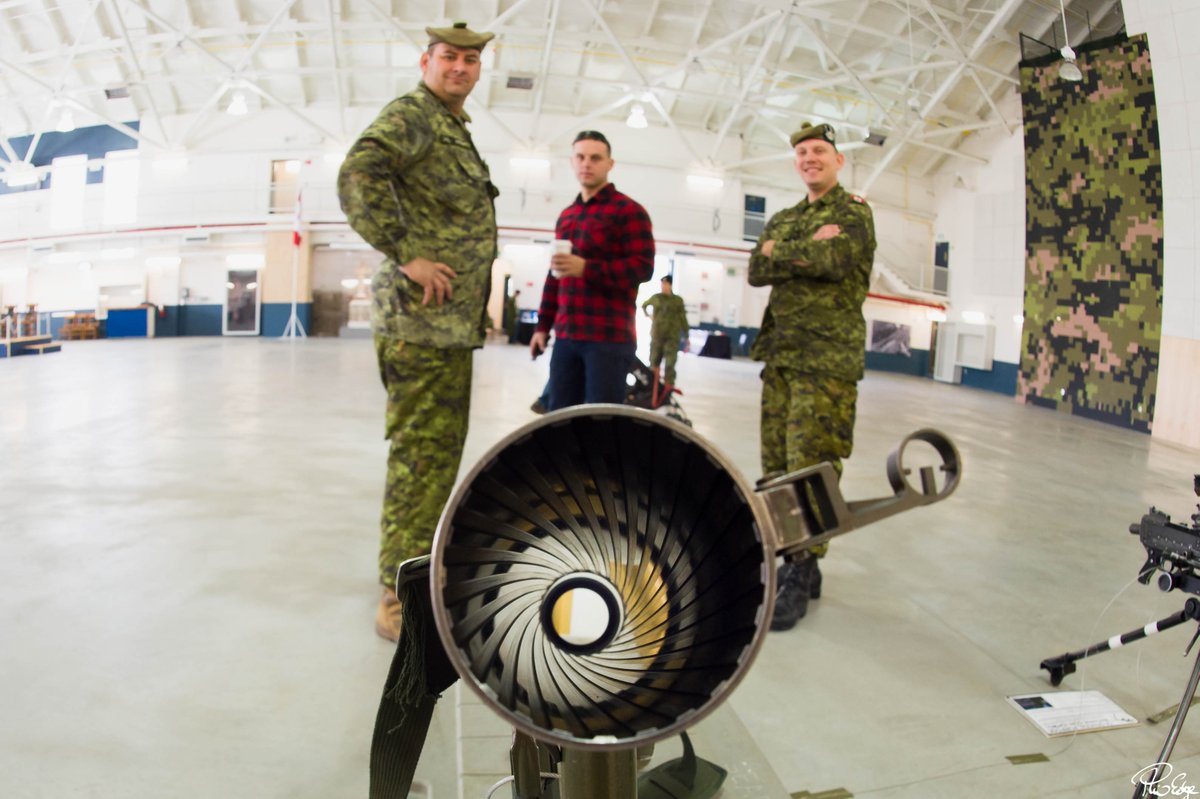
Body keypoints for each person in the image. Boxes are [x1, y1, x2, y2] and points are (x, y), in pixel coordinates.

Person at [337, 20, 498, 642]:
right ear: (425, 61)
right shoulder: (415, 115)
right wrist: (406, 252)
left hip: (445, 326)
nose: (460, 67)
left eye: (470, 60)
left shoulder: (450, 128)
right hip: (421, 325)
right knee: (421, 460)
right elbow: (358, 174)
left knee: (436, 458)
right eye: (449, 57)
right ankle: (398, 595)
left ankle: (416, 572)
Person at [748, 122, 876, 632]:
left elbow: (834, 259)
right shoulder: (785, 216)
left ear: (838, 160)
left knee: (813, 465)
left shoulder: (854, 214)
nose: (809, 158)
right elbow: (758, 267)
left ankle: (802, 568)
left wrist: (785, 250)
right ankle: (798, 558)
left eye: (819, 150)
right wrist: (793, 247)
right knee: (777, 466)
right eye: (801, 152)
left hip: (826, 361)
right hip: (780, 355)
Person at [529, 130, 655, 409]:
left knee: (601, 422)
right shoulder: (567, 215)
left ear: (610, 164)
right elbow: (555, 277)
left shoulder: (629, 212)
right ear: (572, 162)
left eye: (595, 158)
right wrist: (542, 326)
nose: (587, 163)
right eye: (581, 157)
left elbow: (642, 268)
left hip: (608, 339)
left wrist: (587, 268)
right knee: (558, 421)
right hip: (566, 337)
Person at [641, 275, 689, 387]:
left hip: (672, 337)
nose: (663, 286)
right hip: (657, 336)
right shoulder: (656, 297)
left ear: (670, 285)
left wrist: (687, 335)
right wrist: (649, 316)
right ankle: (652, 387)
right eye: (662, 284)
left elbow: (683, 318)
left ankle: (668, 389)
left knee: (670, 364)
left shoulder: (677, 300)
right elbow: (644, 305)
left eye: (665, 284)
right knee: (653, 363)